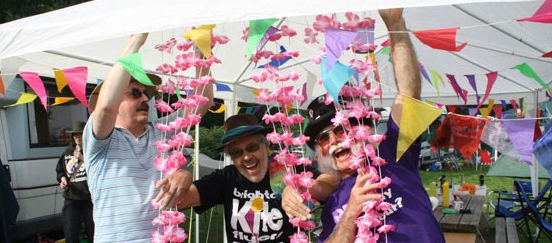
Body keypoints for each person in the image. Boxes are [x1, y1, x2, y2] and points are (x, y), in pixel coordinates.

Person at [282, 8, 444, 243]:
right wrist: (350, 212)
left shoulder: (394, 155)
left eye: (340, 129)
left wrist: (395, 23)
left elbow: (408, 94)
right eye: (323, 138)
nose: (334, 140)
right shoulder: (334, 203)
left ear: (363, 128)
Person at [82, 33, 213, 242]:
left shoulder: (161, 131)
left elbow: (201, 102)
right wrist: (137, 38)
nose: (145, 98)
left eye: (147, 94)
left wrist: (202, 47)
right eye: (135, 93)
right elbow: (106, 107)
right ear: (116, 99)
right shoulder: (100, 139)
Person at [156, 113, 338, 243]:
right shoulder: (226, 178)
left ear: (266, 147)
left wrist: (297, 186)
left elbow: (331, 183)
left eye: (252, 148)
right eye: (236, 153)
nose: (246, 157)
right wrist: (183, 175)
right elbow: (178, 200)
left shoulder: (288, 168)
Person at [56, 121, 94, 243]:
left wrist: (82, 158)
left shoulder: (92, 149)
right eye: (75, 135)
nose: (77, 137)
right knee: (70, 233)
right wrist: (62, 179)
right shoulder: (67, 151)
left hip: (90, 198)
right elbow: (60, 169)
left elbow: (97, 168)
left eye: (80, 134)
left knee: (93, 234)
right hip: (71, 197)